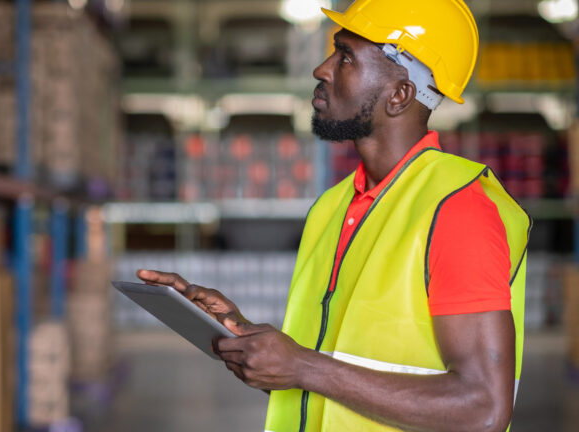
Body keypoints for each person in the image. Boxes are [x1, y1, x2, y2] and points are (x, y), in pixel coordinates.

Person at [138, 0, 531, 431]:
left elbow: (483, 409)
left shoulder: (456, 208)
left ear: (399, 95)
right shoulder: (334, 206)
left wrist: (304, 367)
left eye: (345, 57)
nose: (321, 69)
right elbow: (332, 373)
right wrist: (243, 334)